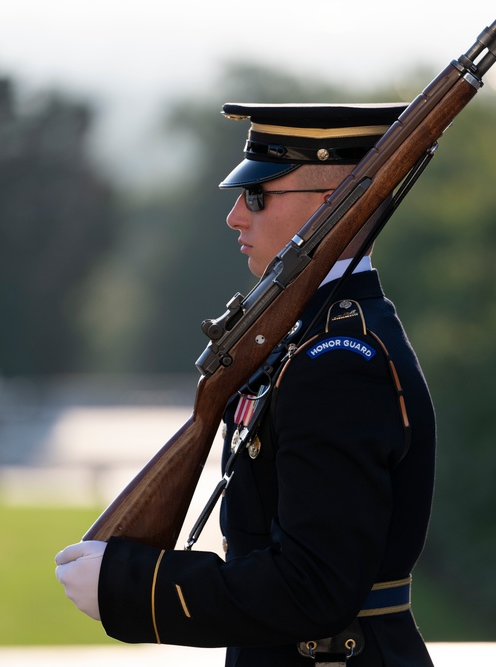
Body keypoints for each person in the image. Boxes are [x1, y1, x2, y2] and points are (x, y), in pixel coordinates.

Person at [56, 102, 438, 667]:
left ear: (333, 206)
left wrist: (140, 589)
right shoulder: (304, 334)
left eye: (257, 196)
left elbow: (312, 586)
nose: (236, 215)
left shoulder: (336, 359)